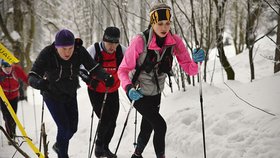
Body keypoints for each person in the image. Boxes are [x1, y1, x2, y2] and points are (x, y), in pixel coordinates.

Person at [117, 3, 205, 158]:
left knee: (148, 126)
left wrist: (197, 61)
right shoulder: (140, 41)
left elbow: (189, 69)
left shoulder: (175, 42)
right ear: (152, 23)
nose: (164, 28)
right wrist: (129, 88)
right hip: (137, 92)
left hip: (156, 92)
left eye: (167, 23)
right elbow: (122, 70)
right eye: (160, 24)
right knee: (160, 125)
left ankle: (136, 155)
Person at [28, 29, 114, 158]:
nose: (67, 52)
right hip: (52, 94)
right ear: (56, 47)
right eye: (64, 49)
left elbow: (93, 67)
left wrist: (106, 76)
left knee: (72, 128)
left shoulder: (79, 51)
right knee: (64, 127)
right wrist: (39, 83)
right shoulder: (47, 53)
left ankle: (58, 145)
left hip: (70, 93)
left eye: (70, 48)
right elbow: (32, 75)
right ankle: (63, 155)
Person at [79, 26, 126, 158]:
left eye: (115, 43)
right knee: (105, 118)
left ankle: (105, 147)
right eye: (109, 43)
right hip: (96, 90)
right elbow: (81, 70)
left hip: (113, 90)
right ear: (104, 40)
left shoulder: (121, 51)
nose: (112, 46)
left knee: (113, 121)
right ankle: (99, 145)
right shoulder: (94, 50)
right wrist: (90, 81)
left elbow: (132, 63)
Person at [0, 60, 28, 143]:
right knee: (7, 117)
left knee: (13, 116)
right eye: (6, 68)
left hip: (14, 97)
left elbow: (25, 78)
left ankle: (13, 134)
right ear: (2, 67)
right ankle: (10, 136)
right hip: (3, 98)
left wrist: (34, 83)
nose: (8, 70)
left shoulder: (16, 70)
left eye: (9, 67)